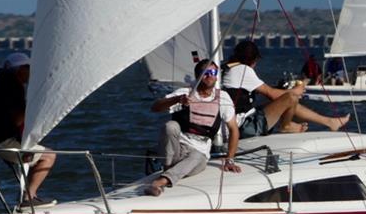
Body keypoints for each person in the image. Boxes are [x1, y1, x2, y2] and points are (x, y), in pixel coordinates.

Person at [145, 59, 241, 196]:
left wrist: (229, 159)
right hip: (179, 147)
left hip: (199, 151)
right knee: (170, 126)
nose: (210, 75)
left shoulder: (223, 98)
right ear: (198, 76)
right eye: (206, 72)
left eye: (213, 72)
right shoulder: (185, 93)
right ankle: (168, 167)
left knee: (196, 156)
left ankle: (160, 182)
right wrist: (177, 100)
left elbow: (233, 129)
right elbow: (155, 107)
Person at [222, 40, 350, 138]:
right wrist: (295, 91)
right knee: (291, 98)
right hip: (244, 127)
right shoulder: (242, 70)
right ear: (253, 60)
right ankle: (286, 126)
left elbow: (267, 92)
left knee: (287, 99)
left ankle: (329, 122)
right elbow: (271, 94)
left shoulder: (228, 68)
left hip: (237, 122)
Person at [0, 52, 56, 208]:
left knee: (30, 155)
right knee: (49, 156)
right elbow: (18, 118)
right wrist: (35, 109)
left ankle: (26, 197)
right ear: (20, 70)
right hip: (2, 142)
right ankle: (28, 198)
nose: (31, 73)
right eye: (29, 69)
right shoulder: (12, 86)